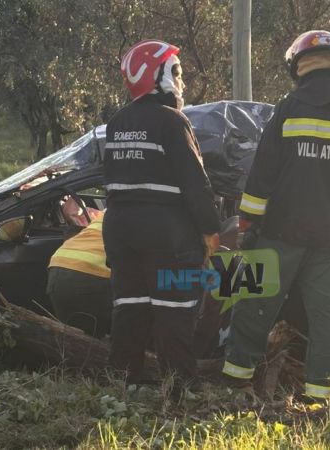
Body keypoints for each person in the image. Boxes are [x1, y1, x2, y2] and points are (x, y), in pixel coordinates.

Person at [222, 30, 330, 402]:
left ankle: (235, 379)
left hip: (281, 232)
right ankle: (321, 393)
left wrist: (247, 225)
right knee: (327, 314)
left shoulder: (287, 109)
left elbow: (261, 176)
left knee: (252, 301)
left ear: (299, 65)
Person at [103, 40, 221, 390]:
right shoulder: (173, 121)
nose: (181, 82)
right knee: (175, 311)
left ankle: (126, 385)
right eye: (177, 72)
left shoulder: (116, 123)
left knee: (130, 308)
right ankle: (179, 388)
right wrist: (211, 230)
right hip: (168, 234)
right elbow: (196, 185)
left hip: (121, 232)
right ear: (160, 76)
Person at [46, 205, 111, 338]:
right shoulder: (161, 218)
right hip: (90, 273)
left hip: (59, 265)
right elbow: (163, 266)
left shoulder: (116, 206)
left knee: (76, 340)